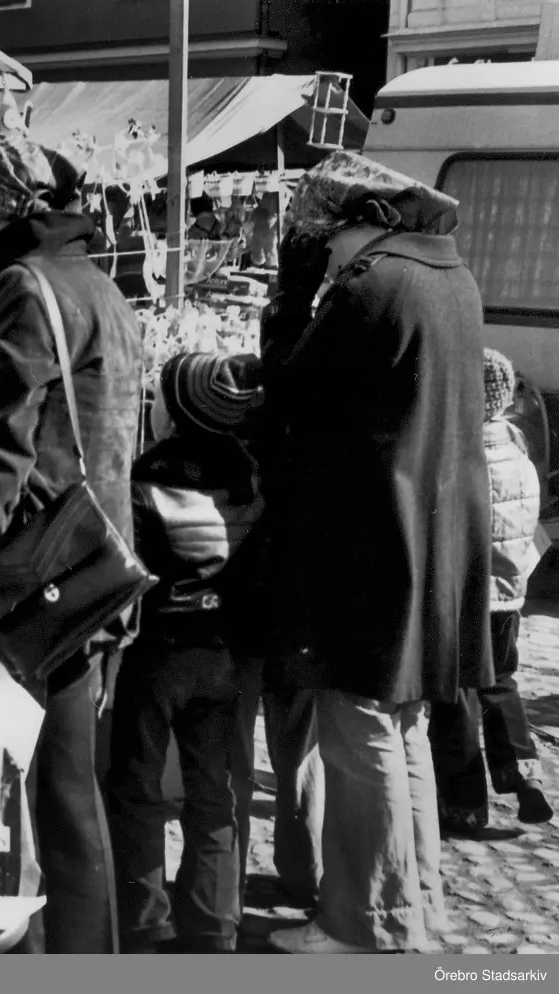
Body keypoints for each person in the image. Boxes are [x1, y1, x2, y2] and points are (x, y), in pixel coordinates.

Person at [0, 131, 143, 954]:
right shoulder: (98, 284)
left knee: (4, 807)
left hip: (22, 587)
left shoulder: (20, 288)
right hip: (84, 575)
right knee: (69, 800)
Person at [260, 150, 494, 954]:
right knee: (405, 723)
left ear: (353, 226)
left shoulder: (373, 284)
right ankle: (415, 906)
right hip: (432, 537)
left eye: (323, 245)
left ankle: (368, 929)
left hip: (369, 543)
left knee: (359, 725)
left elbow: (288, 390)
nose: (323, 259)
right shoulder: (451, 276)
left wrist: (291, 298)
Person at [106, 352, 266, 953]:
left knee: (137, 786)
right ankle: (213, 923)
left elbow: (127, 566)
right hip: (224, 652)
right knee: (213, 790)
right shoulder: (248, 473)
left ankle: (142, 919)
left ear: (174, 408)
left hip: (157, 653)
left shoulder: (146, 474)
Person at [428, 349, 554, 834]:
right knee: (500, 682)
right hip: (508, 595)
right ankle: (524, 773)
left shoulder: (455, 458)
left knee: (456, 692)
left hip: (464, 596)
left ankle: (463, 804)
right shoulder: (519, 454)